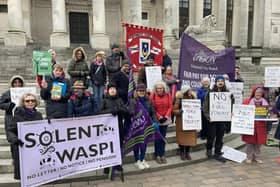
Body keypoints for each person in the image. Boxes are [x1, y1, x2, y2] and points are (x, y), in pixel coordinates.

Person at [7, 93, 43, 180]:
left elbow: (41, 129)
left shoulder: (38, 115)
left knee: (35, 173)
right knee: (24, 176)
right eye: (27, 101)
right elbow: (10, 130)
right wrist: (15, 139)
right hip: (21, 147)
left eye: (32, 100)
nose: (30, 102)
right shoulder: (18, 115)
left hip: (34, 147)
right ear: (23, 102)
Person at [98, 83, 130, 174]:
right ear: (108, 91)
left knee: (118, 146)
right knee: (107, 147)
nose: (112, 90)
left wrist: (120, 109)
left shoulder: (120, 100)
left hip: (119, 127)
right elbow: (99, 112)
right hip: (107, 129)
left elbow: (126, 111)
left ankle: (117, 164)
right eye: (110, 89)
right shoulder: (104, 100)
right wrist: (110, 111)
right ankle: (106, 166)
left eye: (114, 88)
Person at [203, 75, 234, 163]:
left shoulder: (227, 92)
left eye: (222, 81)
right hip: (212, 119)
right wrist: (209, 117)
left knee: (220, 136)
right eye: (218, 81)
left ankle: (217, 152)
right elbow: (205, 106)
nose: (220, 82)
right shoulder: (210, 92)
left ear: (224, 82)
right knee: (211, 136)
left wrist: (232, 98)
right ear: (216, 83)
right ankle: (209, 149)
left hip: (222, 119)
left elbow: (230, 105)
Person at [128, 83, 158, 170]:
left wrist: (155, 121)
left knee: (144, 143)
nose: (141, 92)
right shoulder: (133, 101)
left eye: (143, 91)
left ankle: (142, 158)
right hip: (137, 126)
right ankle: (137, 160)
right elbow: (130, 113)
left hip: (146, 126)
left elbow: (153, 112)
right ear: (136, 91)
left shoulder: (148, 100)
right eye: (139, 91)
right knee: (137, 143)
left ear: (145, 91)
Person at [242, 85, 269, 164]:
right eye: (257, 92)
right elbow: (240, 111)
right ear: (253, 93)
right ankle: (249, 157)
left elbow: (268, 113)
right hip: (250, 125)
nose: (258, 94)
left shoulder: (265, 103)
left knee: (258, 143)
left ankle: (256, 157)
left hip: (261, 125)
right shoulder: (246, 102)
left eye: (260, 92)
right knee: (249, 142)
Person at [150, 81, 172, 164]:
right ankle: (157, 155)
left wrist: (166, 116)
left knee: (163, 137)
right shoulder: (153, 95)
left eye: (161, 88)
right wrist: (159, 117)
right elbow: (152, 108)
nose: (159, 89)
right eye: (158, 88)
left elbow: (170, 106)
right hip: (157, 119)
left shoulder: (168, 95)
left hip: (166, 119)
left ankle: (162, 154)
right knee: (157, 138)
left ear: (164, 88)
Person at [173, 85, 197, 160]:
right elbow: (174, 110)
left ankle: (187, 152)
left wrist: (198, 109)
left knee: (189, 138)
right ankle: (182, 152)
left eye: (190, 90)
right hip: (181, 122)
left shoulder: (193, 98)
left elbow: (196, 107)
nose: (190, 92)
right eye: (188, 90)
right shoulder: (179, 99)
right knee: (182, 139)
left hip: (190, 122)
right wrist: (179, 111)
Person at [0, 75, 25, 141]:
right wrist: (9, 105)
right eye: (15, 82)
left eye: (19, 82)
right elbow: (1, 104)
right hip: (11, 118)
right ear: (12, 83)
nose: (17, 84)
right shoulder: (7, 94)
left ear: (22, 83)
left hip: (24, 118)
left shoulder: (26, 93)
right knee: (13, 141)